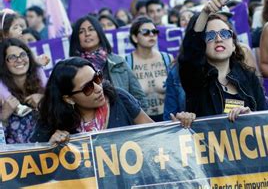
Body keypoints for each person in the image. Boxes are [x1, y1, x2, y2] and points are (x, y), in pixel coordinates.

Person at [30, 57, 194, 144]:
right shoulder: (51, 120)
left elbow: (154, 133)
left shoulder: (119, 98)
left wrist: (177, 126)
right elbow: (30, 163)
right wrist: (50, 148)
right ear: (69, 98)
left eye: (98, 78)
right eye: (88, 88)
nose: (98, 88)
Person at [179, 0, 266, 120]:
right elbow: (191, 52)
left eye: (225, 34)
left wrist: (250, 115)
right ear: (202, 45)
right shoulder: (196, 80)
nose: (219, 39)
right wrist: (205, 12)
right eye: (210, 35)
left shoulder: (249, 77)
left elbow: (265, 119)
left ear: (234, 45)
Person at [69, 15, 147, 106]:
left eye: (91, 29)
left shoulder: (118, 61)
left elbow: (139, 96)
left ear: (99, 32)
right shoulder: (72, 68)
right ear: (76, 37)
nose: (87, 34)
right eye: (81, 31)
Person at [125, 17, 173, 121]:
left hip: (168, 119)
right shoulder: (126, 62)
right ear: (134, 38)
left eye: (154, 31)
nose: (151, 35)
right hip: (141, 122)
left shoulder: (168, 59)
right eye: (145, 32)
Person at [0, 38, 47, 143]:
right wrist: (3, 117)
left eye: (23, 55)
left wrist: (45, 100)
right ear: (4, 63)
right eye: (12, 57)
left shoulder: (44, 87)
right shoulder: (2, 97)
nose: (19, 60)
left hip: (48, 155)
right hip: (16, 158)